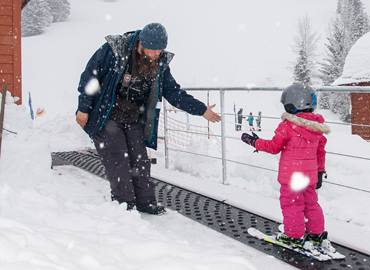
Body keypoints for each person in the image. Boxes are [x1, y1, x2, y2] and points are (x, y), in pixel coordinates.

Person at [75, 23, 221, 215]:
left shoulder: (159, 63)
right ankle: (124, 204)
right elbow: (89, 77)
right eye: (151, 50)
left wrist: (201, 110)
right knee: (118, 158)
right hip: (106, 114)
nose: (154, 55)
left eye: (158, 51)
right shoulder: (114, 49)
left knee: (140, 160)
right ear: (140, 44)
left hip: (133, 116)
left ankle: (145, 202)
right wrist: (83, 109)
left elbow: (173, 92)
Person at [240, 83, 334, 254]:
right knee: (311, 204)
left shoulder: (288, 126)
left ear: (292, 104)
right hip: (309, 176)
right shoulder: (317, 129)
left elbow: (274, 147)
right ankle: (316, 235)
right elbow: (321, 152)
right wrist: (320, 172)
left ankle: (294, 236)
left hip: (292, 177)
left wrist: (255, 142)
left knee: (292, 205)